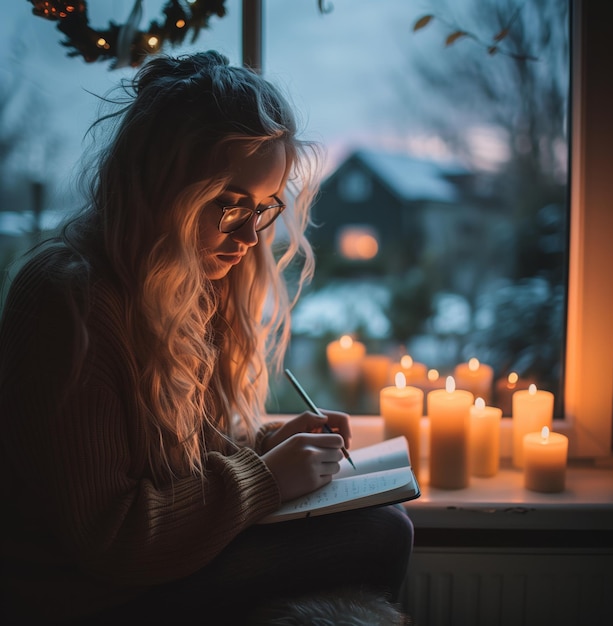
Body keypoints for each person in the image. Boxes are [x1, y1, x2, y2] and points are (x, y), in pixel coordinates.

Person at [0, 50, 414, 624]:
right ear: (160, 187)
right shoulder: (69, 299)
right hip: (88, 596)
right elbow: (111, 539)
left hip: (153, 572)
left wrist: (271, 444)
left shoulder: (193, 279)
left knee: (384, 527)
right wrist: (267, 478)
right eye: (228, 204)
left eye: (265, 208)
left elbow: (183, 462)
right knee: (380, 535)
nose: (249, 235)